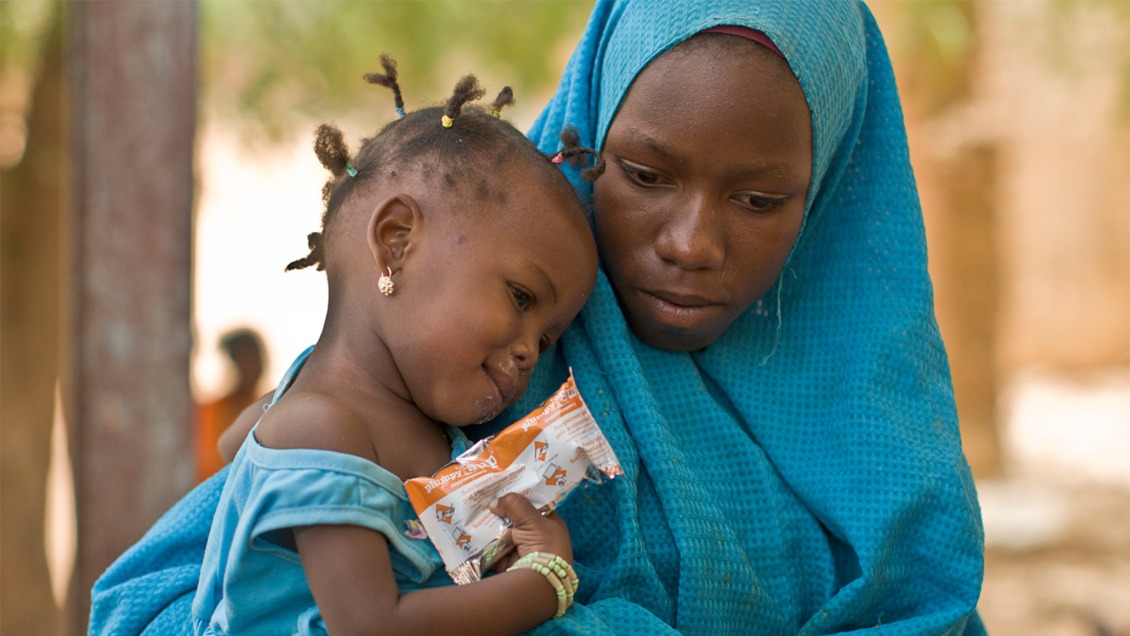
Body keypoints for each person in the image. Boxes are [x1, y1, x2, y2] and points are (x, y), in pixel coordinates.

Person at [90, 1, 986, 633]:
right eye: (645, 174)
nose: (691, 242)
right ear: (586, 143)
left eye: (760, 199)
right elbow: (155, 603)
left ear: (826, 197)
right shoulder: (436, 364)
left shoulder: (890, 467)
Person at [191, 56, 598, 635]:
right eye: (521, 297)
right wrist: (542, 582)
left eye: (548, 336)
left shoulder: (336, 406)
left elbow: (238, 448)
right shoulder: (321, 428)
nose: (531, 350)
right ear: (397, 242)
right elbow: (373, 625)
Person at [195, 328, 266, 481]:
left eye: (254, 358)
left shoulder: (268, 408)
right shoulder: (208, 411)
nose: (250, 366)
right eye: (243, 359)